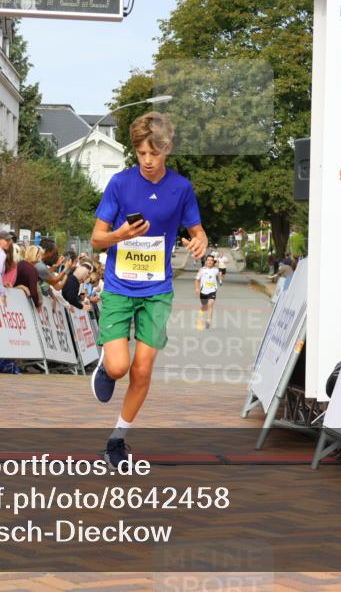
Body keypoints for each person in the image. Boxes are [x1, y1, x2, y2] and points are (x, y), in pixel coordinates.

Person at [89, 112, 207, 470]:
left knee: (142, 370)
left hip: (157, 289)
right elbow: (96, 239)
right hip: (119, 287)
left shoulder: (181, 188)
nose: (148, 161)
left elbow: (198, 231)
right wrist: (119, 236)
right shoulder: (120, 184)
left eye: (154, 154)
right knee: (121, 366)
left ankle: (117, 440)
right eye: (141, 154)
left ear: (167, 149)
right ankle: (107, 369)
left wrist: (200, 242)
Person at [195, 254, 220, 330]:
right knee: (205, 306)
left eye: (211, 260)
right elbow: (197, 279)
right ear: (206, 261)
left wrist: (220, 279)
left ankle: (208, 320)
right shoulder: (202, 270)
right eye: (208, 260)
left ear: (213, 262)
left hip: (212, 290)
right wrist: (197, 288)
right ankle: (201, 311)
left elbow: (219, 277)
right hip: (203, 291)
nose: (209, 261)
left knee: (210, 304)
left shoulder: (216, 270)